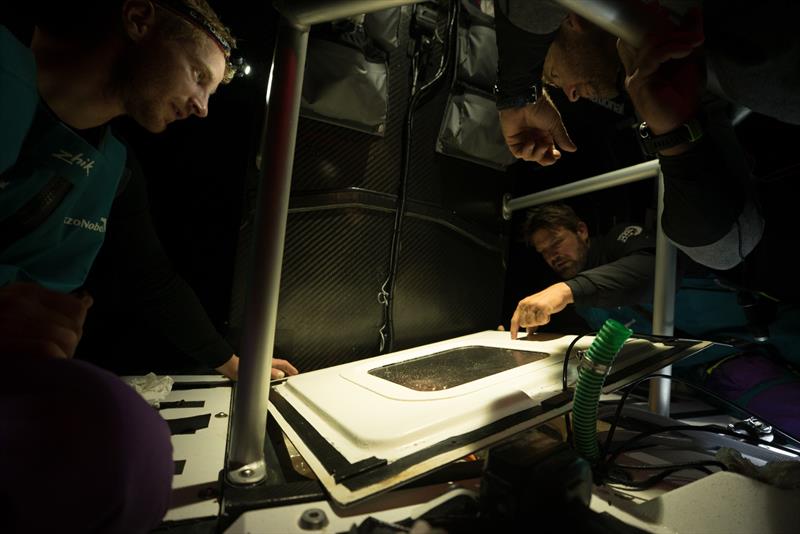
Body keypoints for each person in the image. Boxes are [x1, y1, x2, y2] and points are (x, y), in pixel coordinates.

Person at [0, 1, 291, 531]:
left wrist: (233, 365)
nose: (203, 106)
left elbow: (151, 279)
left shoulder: (114, 169)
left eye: (213, 91)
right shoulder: (6, 73)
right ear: (138, 21)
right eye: (199, 76)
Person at [493, 0, 800, 271]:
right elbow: (725, 248)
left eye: (555, 77)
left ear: (573, 18)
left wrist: (518, 94)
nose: (571, 96)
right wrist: (673, 135)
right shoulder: (666, 90)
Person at [509, 203, 657, 339]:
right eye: (544, 252)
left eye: (557, 243)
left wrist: (567, 290)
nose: (552, 256)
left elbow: (653, 269)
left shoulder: (615, 242)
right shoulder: (561, 288)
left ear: (581, 231)